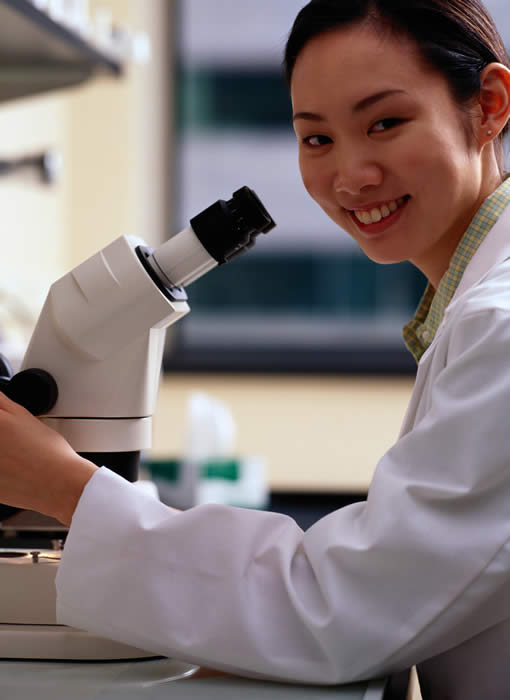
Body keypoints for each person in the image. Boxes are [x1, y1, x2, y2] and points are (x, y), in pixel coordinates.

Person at [1, 0, 510, 697]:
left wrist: (62, 484)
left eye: (385, 123)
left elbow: (343, 608)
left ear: (489, 104)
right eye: (316, 138)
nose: (351, 175)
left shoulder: (499, 326)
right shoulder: (471, 306)